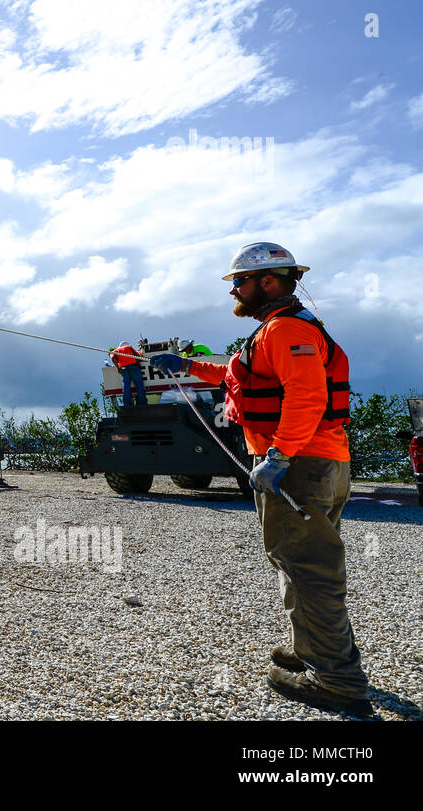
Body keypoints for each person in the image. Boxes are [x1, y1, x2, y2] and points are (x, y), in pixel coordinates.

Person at [150, 242, 369, 717]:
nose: (234, 289)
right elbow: (237, 375)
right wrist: (187, 368)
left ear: (268, 282)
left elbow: (306, 397)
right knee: (298, 561)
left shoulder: (288, 331)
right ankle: (312, 650)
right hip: (315, 462)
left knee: (310, 568)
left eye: (240, 281)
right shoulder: (277, 331)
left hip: (300, 466)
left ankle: (338, 681)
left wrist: (279, 456)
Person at [109, 341, 146, 405]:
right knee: (139, 385)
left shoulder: (116, 350)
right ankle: (142, 403)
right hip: (133, 368)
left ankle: (127, 404)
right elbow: (139, 356)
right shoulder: (129, 347)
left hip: (124, 369)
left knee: (126, 387)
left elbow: (112, 357)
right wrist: (140, 351)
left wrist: (118, 367)